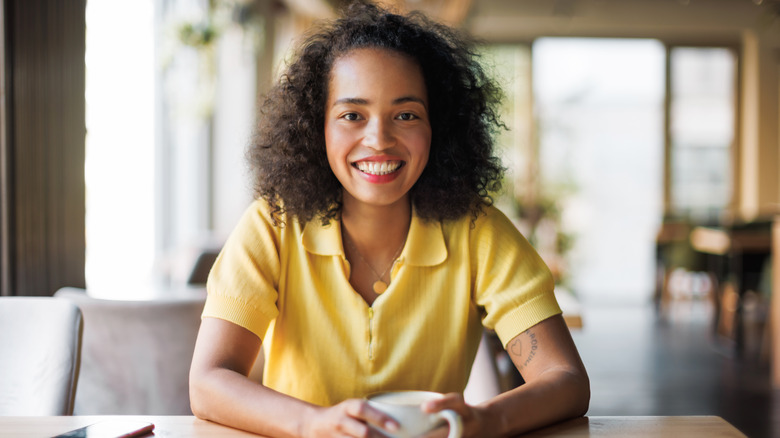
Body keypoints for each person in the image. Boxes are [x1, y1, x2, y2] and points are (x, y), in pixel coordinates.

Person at [189, 2, 590, 437]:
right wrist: (313, 422)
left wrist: (487, 418)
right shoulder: (272, 226)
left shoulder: (479, 232)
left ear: (439, 127)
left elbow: (566, 380)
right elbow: (208, 383)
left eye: (406, 115)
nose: (379, 140)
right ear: (315, 127)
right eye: (351, 115)